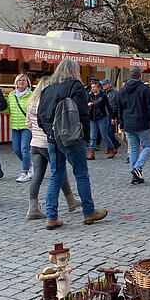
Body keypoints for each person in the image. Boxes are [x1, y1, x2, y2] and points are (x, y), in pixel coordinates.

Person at [37, 59, 107, 229]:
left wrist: (50, 132)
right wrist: (86, 136)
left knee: (56, 176)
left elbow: (41, 116)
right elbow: (83, 114)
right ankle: (89, 212)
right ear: (75, 71)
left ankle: (51, 216)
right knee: (81, 174)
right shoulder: (75, 87)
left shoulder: (47, 89)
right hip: (72, 138)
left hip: (53, 138)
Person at [25, 75, 81, 220]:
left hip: (35, 144)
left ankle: (33, 208)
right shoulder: (47, 102)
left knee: (37, 177)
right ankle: (70, 200)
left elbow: (29, 125)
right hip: (48, 142)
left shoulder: (30, 102)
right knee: (59, 172)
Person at [118, 66, 150, 184]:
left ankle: (135, 174)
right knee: (148, 146)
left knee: (134, 149)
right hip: (142, 123)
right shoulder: (144, 88)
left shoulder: (123, 89)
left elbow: (120, 108)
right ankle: (137, 168)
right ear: (140, 76)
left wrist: (121, 123)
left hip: (128, 124)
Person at [7, 73, 33, 182]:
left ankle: (24, 172)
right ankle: (29, 165)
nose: (21, 82)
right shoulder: (11, 95)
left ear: (28, 83)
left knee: (24, 149)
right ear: (16, 82)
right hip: (15, 125)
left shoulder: (31, 95)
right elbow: (8, 109)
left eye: (23, 80)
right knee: (16, 149)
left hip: (27, 125)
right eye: (19, 80)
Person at [87, 80, 116, 160]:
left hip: (102, 118)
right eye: (92, 87)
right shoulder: (90, 95)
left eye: (94, 87)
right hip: (92, 118)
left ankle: (112, 148)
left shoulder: (103, 95)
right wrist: (88, 105)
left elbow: (108, 107)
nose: (92, 89)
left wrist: (112, 117)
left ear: (99, 88)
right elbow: (86, 103)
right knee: (92, 136)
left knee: (104, 136)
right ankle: (92, 152)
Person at [102, 79, 121, 152]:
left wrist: (116, 117)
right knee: (105, 133)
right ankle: (112, 146)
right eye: (103, 84)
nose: (103, 86)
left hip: (111, 114)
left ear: (109, 84)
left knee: (110, 132)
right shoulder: (102, 93)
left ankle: (113, 146)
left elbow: (118, 105)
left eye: (104, 84)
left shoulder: (115, 92)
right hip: (103, 115)